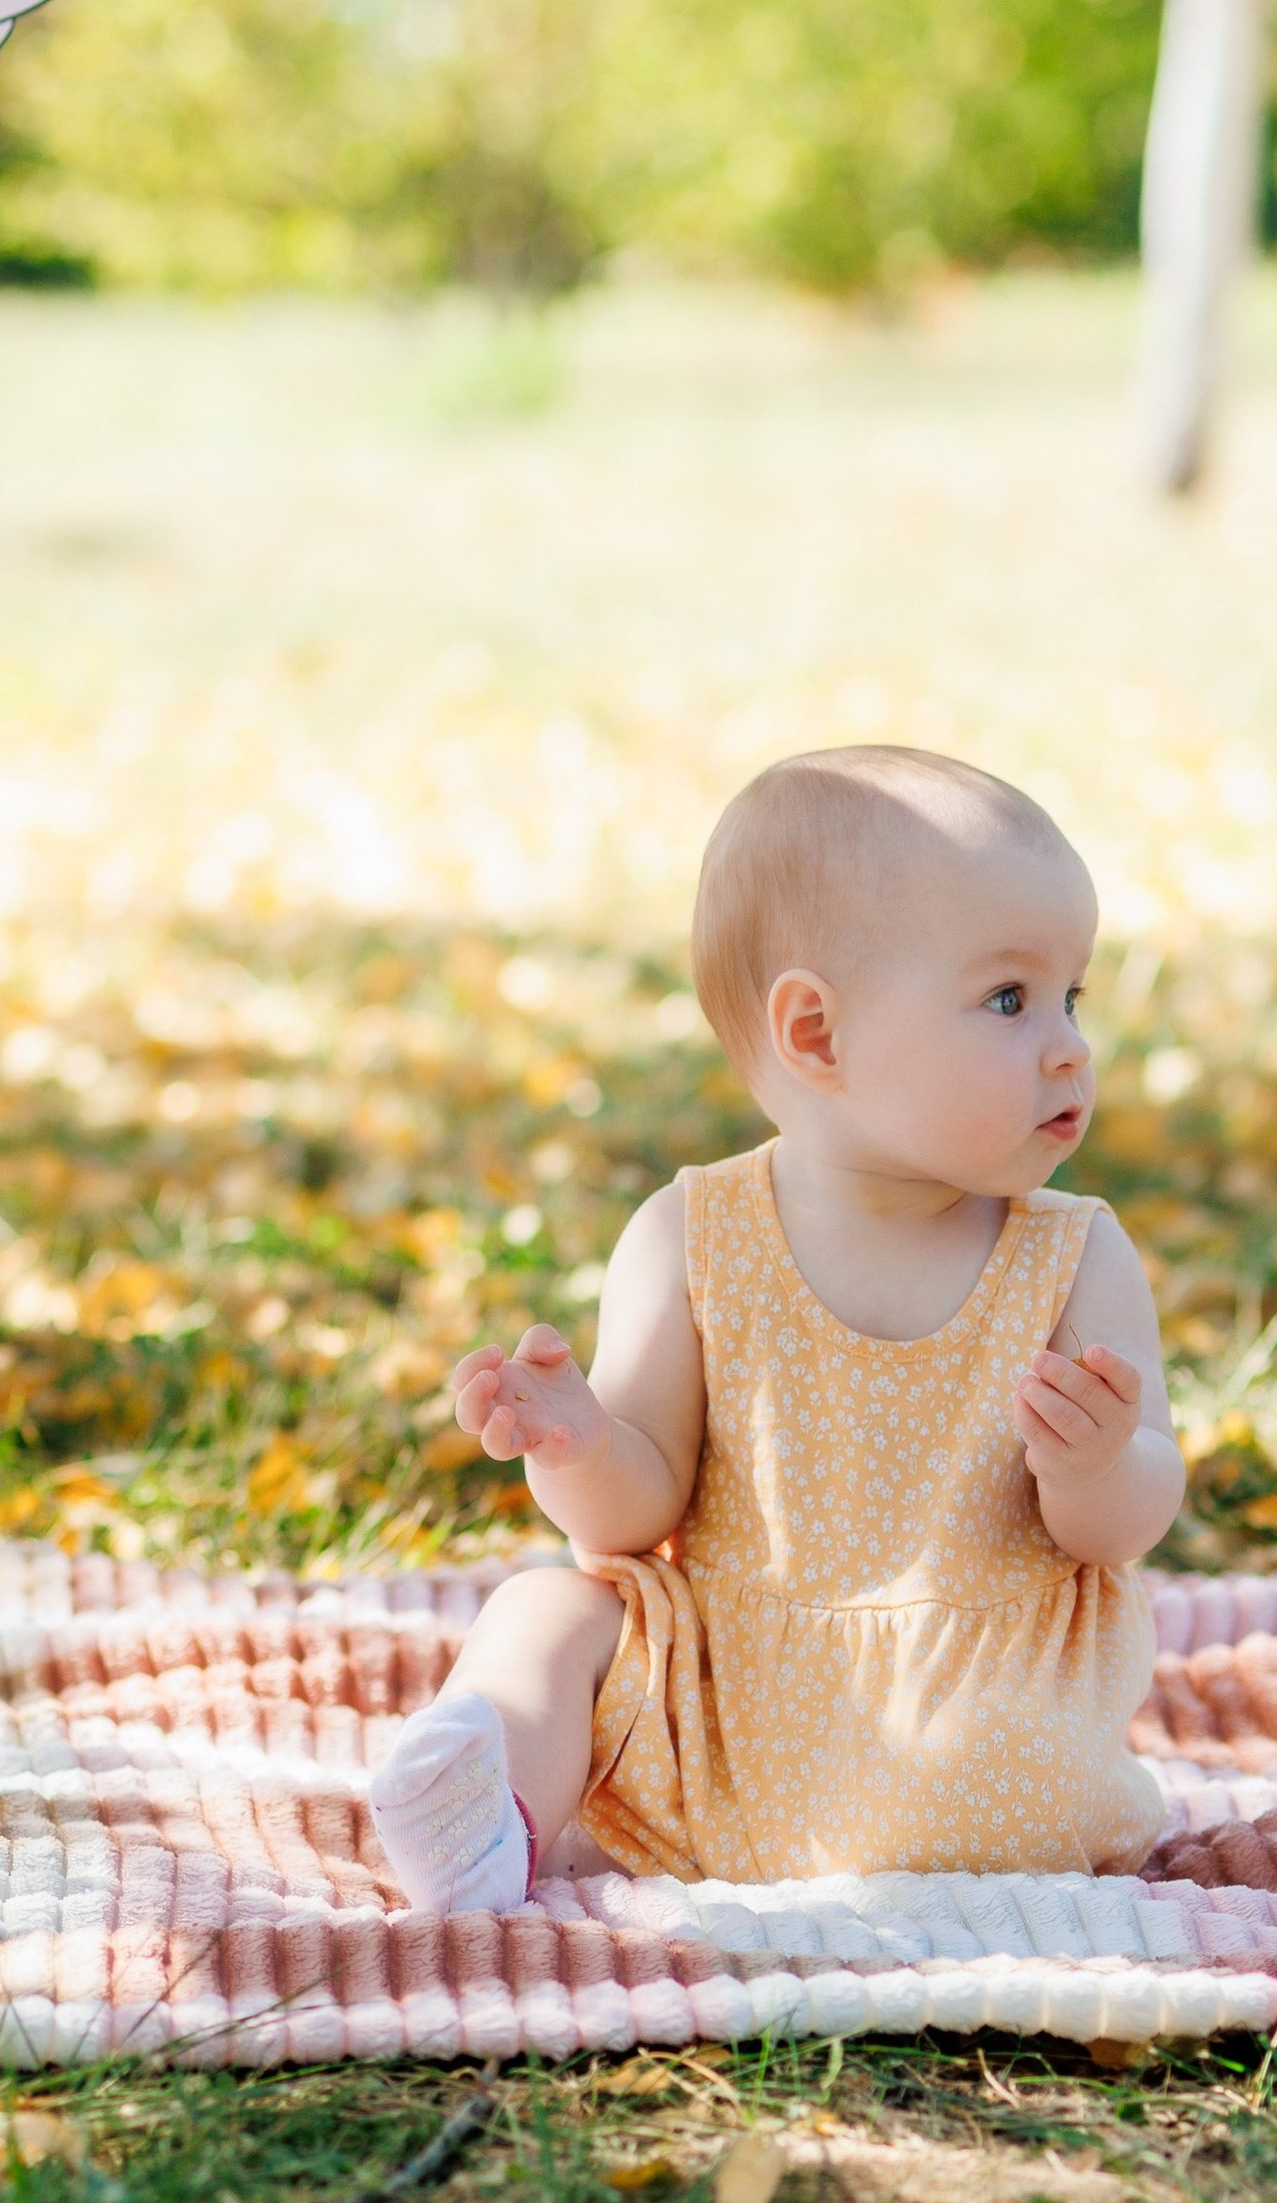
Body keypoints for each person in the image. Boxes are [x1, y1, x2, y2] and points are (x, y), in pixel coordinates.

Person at [367, 744, 1185, 1911]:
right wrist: (584, 1447)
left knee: (545, 1613)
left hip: (980, 1746)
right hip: (757, 1725)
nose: (1068, 1046)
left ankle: (510, 1806)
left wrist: (1098, 1465)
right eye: (1009, 999)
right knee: (554, 1599)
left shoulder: (1070, 1251)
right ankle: (483, 1818)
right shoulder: (691, 1236)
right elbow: (639, 1507)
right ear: (814, 1035)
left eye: (1071, 997)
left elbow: (1122, 1528)